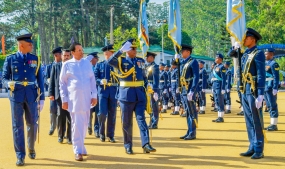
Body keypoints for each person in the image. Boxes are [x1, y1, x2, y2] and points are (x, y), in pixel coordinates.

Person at [2, 33, 45, 166]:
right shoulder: (10, 59)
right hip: (16, 96)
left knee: (32, 123)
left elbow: (40, 79)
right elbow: (4, 78)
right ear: (21, 45)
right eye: (29, 44)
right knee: (17, 126)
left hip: (32, 95)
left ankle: (31, 147)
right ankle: (20, 155)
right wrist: (8, 83)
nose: (32, 46)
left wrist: (42, 98)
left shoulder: (35, 59)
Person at [107, 39, 156, 154]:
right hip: (126, 96)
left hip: (139, 95)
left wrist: (148, 84)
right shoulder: (120, 61)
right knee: (127, 122)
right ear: (127, 50)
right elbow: (109, 61)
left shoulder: (140, 61)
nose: (135, 50)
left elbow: (144, 76)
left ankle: (146, 144)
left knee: (141, 120)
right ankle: (128, 145)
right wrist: (120, 51)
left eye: (135, 48)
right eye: (132, 48)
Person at [59, 42, 98, 161]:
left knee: (85, 123)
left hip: (87, 98)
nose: (82, 52)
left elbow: (92, 80)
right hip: (73, 99)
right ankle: (77, 150)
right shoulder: (67, 65)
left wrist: (94, 95)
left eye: (82, 49)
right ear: (73, 52)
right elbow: (62, 83)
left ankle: (81, 146)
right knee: (76, 124)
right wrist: (64, 99)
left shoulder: (87, 63)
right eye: (79, 50)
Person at [238, 28, 265, 159]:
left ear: (252, 39)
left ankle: (259, 149)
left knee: (256, 120)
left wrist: (260, 93)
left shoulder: (258, 53)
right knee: (248, 120)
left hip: (253, 90)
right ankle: (252, 146)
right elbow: (231, 54)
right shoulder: (245, 54)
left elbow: (261, 74)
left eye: (246, 38)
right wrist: (236, 48)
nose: (244, 40)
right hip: (245, 89)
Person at [94, 44, 118, 142]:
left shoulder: (116, 65)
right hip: (102, 92)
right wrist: (100, 81)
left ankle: (110, 135)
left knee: (112, 114)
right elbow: (94, 78)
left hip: (113, 91)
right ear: (105, 54)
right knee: (102, 113)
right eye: (108, 53)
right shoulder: (99, 65)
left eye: (112, 53)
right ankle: (101, 133)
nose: (111, 55)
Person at [48, 48, 72, 144]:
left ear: (70, 56)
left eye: (67, 55)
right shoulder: (56, 66)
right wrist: (51, 93)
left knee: (70, 116)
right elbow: (52, 80)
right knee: (60, 116)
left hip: (71, 96)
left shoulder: (73, 66)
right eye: (64, 55)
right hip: (59, 96)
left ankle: (70, 137)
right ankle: (60, 136)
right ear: (61, 56)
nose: (66, 57)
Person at [177, 44, 199, 140]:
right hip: (184, 89)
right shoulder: (184, 62)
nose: (181, 53)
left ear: (188, 52)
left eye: (183, 51)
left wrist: (192, 90)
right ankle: (189, 131)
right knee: (187, 111)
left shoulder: (193, 62)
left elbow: (196, 77)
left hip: (189, 89)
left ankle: (192, 132)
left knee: (192, 112)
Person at [46, 48, 61, 136]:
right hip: (53, 91)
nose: (56, 57)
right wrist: (48, 80)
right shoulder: (50, 66)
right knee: (52, 110)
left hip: (61, 92)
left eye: (57, 55)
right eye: (55, 55)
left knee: (61, 112)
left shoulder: (64, 65)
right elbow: (45, 77)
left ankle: (61, 129)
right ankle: (52, 127)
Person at [264, 48, 279, 131]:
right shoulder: (264, 63)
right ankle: (271, 123)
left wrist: (275, 88)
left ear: (272, 54)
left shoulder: (274, 64)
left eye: (267, 54)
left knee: (273, 105)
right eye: (265, 53)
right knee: (268, 106)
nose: (265, 55)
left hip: (270, 87)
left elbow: (276, 77)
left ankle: (274, 124)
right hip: (265, 87)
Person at [86, 52, 100, 137]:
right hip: (88, 93)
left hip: (98, 92)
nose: (97, 59)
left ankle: (96, 129)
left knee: (98, 112)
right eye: (96, 58)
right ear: (92, 59)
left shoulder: (98, 66)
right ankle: (89, 126)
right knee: (89, 112)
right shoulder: (86, 68)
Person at [145, 52, 160, 129]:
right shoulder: (148, 66)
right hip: (148, 88)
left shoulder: (155, 66)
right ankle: (151, 121)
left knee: (154, 106)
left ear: (151, 57)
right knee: (149, 106)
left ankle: (154, 123)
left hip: (153, 88)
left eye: (147, 57)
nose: (146, 59)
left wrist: (155, 91)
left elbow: (156, 80)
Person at [211, 54, 226, 123]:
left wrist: (223, 88)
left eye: (217, 58)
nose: (215, 59)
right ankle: (219, 116)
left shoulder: (222, 67)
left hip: (219, 86)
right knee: (216, 101)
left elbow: (223, 78)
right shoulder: (215, 67)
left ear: (220, 59)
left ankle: (221, 117)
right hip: (215, 85)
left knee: (220, 101)